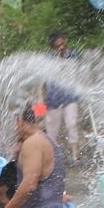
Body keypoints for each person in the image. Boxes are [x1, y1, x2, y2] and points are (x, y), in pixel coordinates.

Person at [42, 32, 82, 165]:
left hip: (70, 97)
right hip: (52, 99)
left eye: (62, 43)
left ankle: (76, 156)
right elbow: (41, 82)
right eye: (57, 45)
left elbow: (79, 74)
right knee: (51, 132)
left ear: (65, 41)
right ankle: (51, 158)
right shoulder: (48, 59)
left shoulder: (74, 56)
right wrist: (40, 102)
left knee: (72, 123)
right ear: (53, 46)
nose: (61, 47)